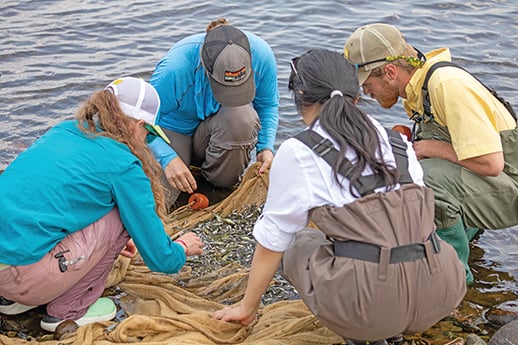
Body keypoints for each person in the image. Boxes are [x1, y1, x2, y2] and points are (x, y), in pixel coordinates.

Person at [213, 49, 466, 345]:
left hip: (370, 308)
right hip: (440, 289)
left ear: (300, 97)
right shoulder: (398, 143)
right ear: (356, 97)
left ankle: (364, 334)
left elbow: (272, 241)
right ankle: (393, 332)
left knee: (296, 242)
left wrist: (247, 308)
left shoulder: (299, 151)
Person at [0, 77, 203, 332]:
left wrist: (111, 241)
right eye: (148, 134)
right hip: (25, 276)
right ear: (138, 125)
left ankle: (10, 301)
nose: (146, 142)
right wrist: (183, 247)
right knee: (121, 213)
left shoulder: (64, 130)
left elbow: (61, 202)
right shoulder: (123, 166)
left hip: (8, 267)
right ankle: (66, 312)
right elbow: (162, 261)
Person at [344, 23, 518, 284]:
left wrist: (431, 149)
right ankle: (456, 240)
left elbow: (492, 163)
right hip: (492, 185)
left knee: (423, 180)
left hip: (509, 187)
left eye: (367, 84)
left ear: (390, 71)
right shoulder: (418, 87)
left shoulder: (446, 85)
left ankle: (454, 279)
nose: (365, 92)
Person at [148, 18, 279, 206]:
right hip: (175, 130)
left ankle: (216, 187)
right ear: (205, 67)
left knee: (242, 117)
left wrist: (265, 148)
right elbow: (139, 121)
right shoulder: (174, 69)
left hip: (222, 128)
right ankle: (181, 173)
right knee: (162, 198)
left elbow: (268, 105)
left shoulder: (262, 55)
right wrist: (167, 159)